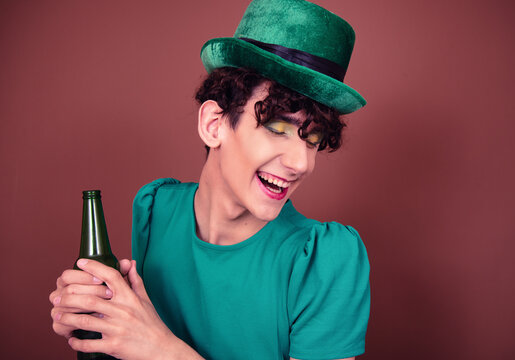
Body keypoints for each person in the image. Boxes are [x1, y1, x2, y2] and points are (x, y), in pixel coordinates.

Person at [49, 0, 371, 359]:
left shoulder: (324, 261)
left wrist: (160, 349)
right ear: (214, 125)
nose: (301, 163)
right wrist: (103, 321)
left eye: (311, 138)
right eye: (277, 127)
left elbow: (151, 347)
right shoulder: (155, 209)